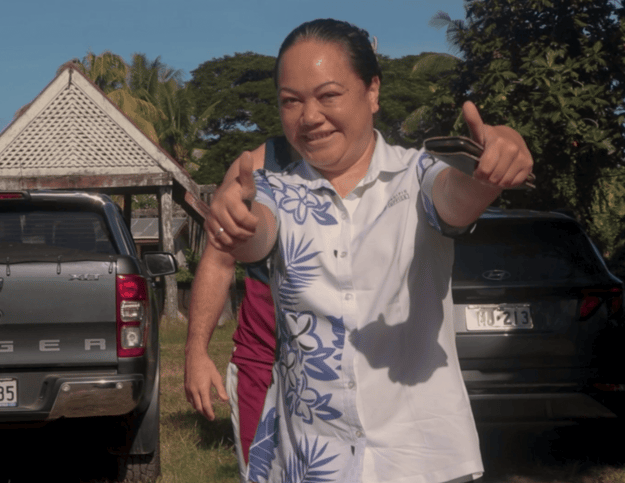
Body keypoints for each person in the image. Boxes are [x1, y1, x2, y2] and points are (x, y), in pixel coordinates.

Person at [206, 19, 533, 483]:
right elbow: (258, 233)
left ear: (372, 91)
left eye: (328, 95)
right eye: (290, 101)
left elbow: (457, 198)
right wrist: (236, 223)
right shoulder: (275, 192)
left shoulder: (417, 175)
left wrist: (498, 162)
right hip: (311, 460)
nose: (309, 116)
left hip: (421, 458)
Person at [185, 137, 296, 482]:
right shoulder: (256, 165)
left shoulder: (382, 169)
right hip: (264, 363)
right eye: (291, 99)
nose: (310, 114)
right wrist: (195, 352)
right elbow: (219, 260)